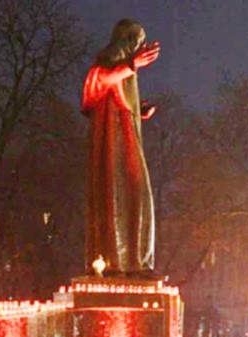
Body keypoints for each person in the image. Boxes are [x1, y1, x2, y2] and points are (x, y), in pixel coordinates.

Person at [82, 19, 161, 273]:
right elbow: (100, 80)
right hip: (113, 140)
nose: (138, 47)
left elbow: (119, 97)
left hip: (123, 133)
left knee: (134, 193)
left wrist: (139, 111)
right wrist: (131, 65)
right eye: (136, 41)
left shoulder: (124, 64)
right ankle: (119, 261)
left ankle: (135, 260)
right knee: (122, 190)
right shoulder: (112, 56)